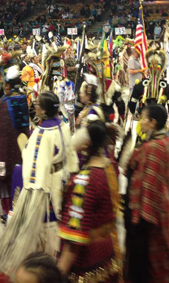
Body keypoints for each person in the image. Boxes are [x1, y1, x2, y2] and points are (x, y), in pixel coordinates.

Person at [0, 92, 78, 281]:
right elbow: (70, 154)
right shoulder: (62, 124)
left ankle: (42, 268)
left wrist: (30, 198)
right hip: (61, 180)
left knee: (42, 229)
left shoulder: (41, 134)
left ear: (44, 109)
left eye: (38, 104)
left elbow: (34, 170)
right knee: (58, 221)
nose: (35, 106)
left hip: (44, 188)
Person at [58, 120, 122, 282]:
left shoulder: (84, 181)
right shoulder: (111, 166)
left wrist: (57, 275)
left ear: (86, 144)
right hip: (108, 252)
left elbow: (74, 240)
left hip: (88, 261)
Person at [124, 104, 169, 282]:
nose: (140, 122)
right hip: (160, 206)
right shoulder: (165, 141)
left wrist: (139, 217)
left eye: (143, 118)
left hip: (147, 214)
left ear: (153, 122)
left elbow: (149, 184)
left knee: (147, 260)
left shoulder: (153, 147)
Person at [0, 66, 30, 214]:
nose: (4, 87)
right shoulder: (22, 99)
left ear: (8, 85)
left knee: (4, 181)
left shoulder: (4, 104)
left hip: (4, 152)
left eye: (5, 85)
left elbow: (0, 133)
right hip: (20, 152)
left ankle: (6, 211)